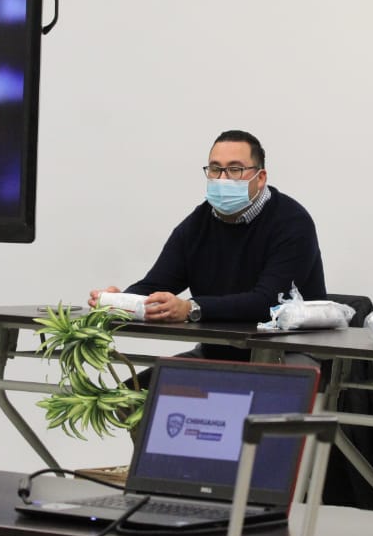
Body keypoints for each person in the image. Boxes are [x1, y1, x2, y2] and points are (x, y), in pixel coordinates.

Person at [88, 129, 325, 363]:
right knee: (140, 388)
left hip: (290, 352)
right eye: (215, 169)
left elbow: (268, 302)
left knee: (271, 389)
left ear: (260, 178)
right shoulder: (198, 223)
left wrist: (191, 308)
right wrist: (120, 301)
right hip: (217, 353)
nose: (222, 178)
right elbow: (156, 284)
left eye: (234, 169)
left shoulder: (292, 222)